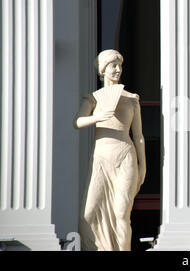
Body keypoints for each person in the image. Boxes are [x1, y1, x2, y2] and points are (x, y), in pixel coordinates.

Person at [73, 49, 146, 251]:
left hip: (125, 156)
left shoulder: (131, 98)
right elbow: (77, 122)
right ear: (103, 70)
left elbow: (138, 136)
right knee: (87, 216)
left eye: (119, 65)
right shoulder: (94, 98)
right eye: (113, 65)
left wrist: (143, 166)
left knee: (122, 214)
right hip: (101, 158)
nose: (117, 69)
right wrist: (98, 116)